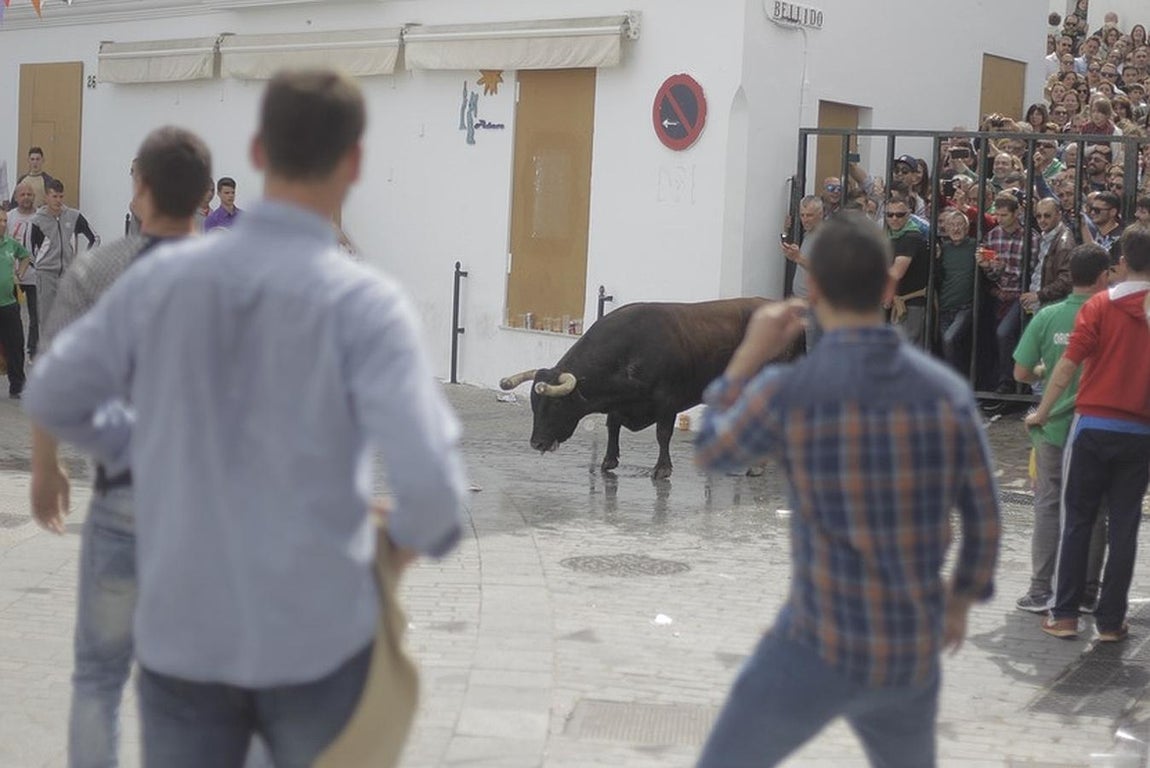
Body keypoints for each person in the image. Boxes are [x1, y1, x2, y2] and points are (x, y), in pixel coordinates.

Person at [24, 68, 468, 767]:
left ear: (257, 154)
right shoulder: (370, 307)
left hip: (184, 644)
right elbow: (438, 501)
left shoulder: (162, 281)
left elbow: (50, 391)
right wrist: (397, 541)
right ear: (353, 164)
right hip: (317, 642)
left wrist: (137, 441)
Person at [693, 212, 1000, 767]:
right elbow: (985, 518)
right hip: (908, 646)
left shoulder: (789, 389)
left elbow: (714, 450)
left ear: (812, 290)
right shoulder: (947, 392)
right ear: (888, 287)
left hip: (816, 639)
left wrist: (746, 357)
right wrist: (958, 602)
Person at [28, 126, 213, 768]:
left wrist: (46, 466)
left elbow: (50, 378)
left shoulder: (101, 268)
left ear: (140, 189)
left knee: (98, 679)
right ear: (204, 201)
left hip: (122, 498)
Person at [1027, 225, 1150, 642]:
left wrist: (1042, 411)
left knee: (1077, 520)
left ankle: (1064, 615)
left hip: (1093, 423)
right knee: (1125, 526)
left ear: (1121, 264)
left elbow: (1067, 367)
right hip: (1140, 431)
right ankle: (1111, 622)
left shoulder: (1099, 305)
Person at [1012, 244, 1111, 614]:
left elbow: (1020, 373)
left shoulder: (1048, 315)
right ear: (1103, 276)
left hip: (1053, 427)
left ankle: (1041, 588)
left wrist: (1044, 371)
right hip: (1096, 424)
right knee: (1094, 508)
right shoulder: (1111, 316)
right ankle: (1087, 591)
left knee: (1049, 505)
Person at [30, 179, 97, 332]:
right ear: (46, 197)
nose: (58, 200)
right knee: (46, 321)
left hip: (68, 274)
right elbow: (28, 248)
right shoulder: (37, 220)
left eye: (61, 196)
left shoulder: (74, 216)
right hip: (45, 276)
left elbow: (95, 238)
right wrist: (39, 266)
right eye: (54, 196)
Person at [885, 196, 931, 346]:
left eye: (900, 214)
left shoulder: (911, 237)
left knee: (907, 352)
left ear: (909, 214)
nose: (894, 218)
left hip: (911, 304)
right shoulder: (892, 236)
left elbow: (896, 273)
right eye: (890, 214)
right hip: (898, 303)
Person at [782, 195, 824, 349]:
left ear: (820, 214)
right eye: (802, 215)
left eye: (810, 215)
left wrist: (798, 258)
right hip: (803, 301)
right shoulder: (809, 233)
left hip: (815, 303)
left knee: (814, 348)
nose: (805, 219)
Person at [5, 183, 40, 359]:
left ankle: (32, 350)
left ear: (34, 197)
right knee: (13, 318)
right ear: (16, 197)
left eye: (29, 194)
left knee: (36, 317)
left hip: (34, 276)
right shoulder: (9, 217)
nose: (26, 197)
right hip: (13, 278)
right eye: (23, 194)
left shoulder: (40, 217)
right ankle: (12, 351)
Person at [0, 207, 31, 398]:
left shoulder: (11, 244)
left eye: (4, 221)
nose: (3, 224)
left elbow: (25, 255)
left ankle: (17, 385)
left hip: (9, 303)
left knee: (16, 345)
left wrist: (20, 272)